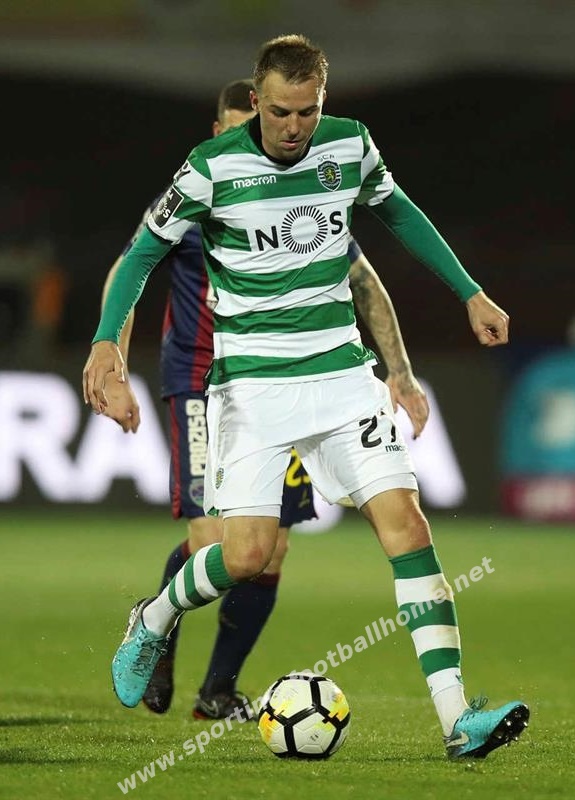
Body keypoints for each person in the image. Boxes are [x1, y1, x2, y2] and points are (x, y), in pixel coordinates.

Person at [83, 35, 529, 759]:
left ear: (324, 101)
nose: (294, 128)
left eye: (308, 112)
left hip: (342, 378)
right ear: (257, 100)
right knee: (246, 556)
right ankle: (156, 616)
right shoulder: (210, 167)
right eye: (281, 112)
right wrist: (108, 341)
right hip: (253, 389)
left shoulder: (349, 146)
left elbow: (401, 214)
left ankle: (457, 721)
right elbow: (142, 253)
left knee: (409, 529)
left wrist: (469, 292)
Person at [101, 78, 430, 720]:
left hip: (293, 380)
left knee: (270, 550)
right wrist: (112, 359)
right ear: (218, 130)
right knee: (215, 538)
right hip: (204, 378)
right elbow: (130, 268)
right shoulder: (200, 189)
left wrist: (399, 369)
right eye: (231, 133)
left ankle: (217, 690)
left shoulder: (296, 190)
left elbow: (361, 279)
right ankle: (157, 625)